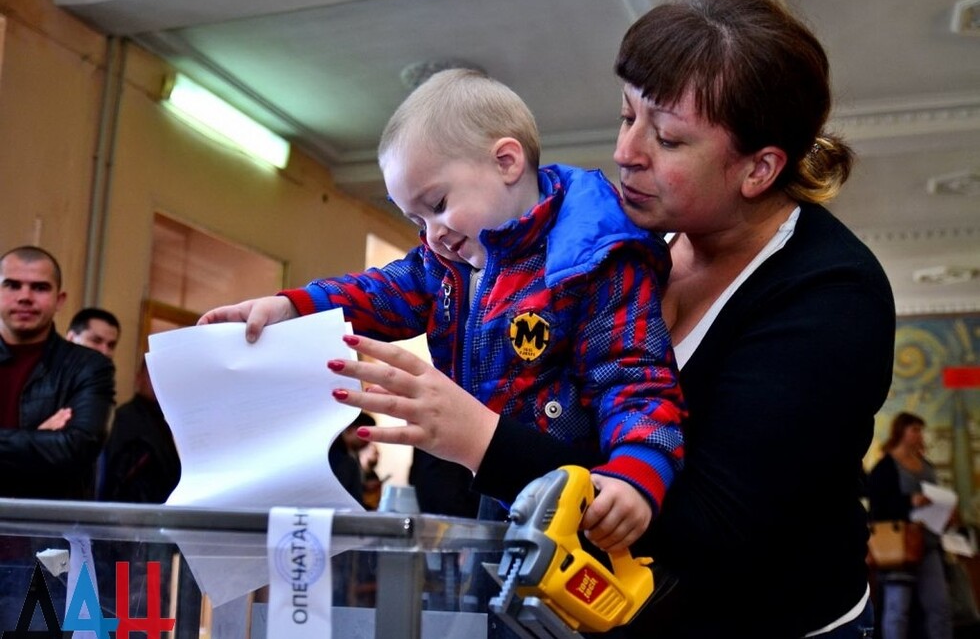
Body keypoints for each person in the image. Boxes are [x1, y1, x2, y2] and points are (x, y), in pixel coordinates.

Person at [318, 0, 896, 637]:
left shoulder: (831, 296)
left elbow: (714, 527)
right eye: (628, 116)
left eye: (669, 138)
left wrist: (482, 439)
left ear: (759, 168)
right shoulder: (618, 244)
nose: (627, 152)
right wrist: (296, 309)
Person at [200, 68, 686, 551]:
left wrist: (636, 472)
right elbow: (379, 292)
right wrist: (292, 306)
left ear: (507, 162)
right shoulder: (446, 264)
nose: (432, 232)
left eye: (438, 203)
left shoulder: (594, 262)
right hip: (494, 497)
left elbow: (634, 378)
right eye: (415, 219)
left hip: (580, 504)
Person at [0, 245, 115, 499]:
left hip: (46, 531)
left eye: (40, 287)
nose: (25, 296)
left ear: (59, 300)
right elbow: (56, 452)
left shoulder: (89, 366)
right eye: (12, 285)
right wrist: (37, 439)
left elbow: (78, 449)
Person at [868, 412, 953, 639]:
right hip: (900, 546)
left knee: (940, 606)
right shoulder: (886, 467)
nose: (919, 435)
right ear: (901, 432)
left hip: (928, 543)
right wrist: (908, 501)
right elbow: (877, 505)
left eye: (920, 430)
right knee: (898, 610)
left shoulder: (926, 466)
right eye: (914, 429)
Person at [98, 360, 181, 503]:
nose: (157, 383)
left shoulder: (166, 419)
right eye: (152, 376)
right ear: (138, 378)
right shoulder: (126, 418)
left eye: (163, 377)